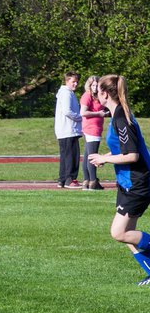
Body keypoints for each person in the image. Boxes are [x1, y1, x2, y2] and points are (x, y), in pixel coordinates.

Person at [89, 75, 150, 285]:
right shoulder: (117, 115)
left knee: (119, 233)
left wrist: (104, 160)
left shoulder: (122, 118)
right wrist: (106, 157)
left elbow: (132, 155)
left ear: (105, 93)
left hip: (137, 182)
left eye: (97, 91)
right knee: (128, 234)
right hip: (127, 182)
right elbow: (122, 149)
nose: (95, 94)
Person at [54, 72, 83, 189]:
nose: (75, 84)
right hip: (68, 129)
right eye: (73, 82)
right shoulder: (66, 94)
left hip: (67, 130)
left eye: (76, 82)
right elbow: (67, 111)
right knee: (71, 155)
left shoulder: (68, 93)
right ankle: (69, 179)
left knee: (66, 155)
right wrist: (80, 117)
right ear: (67, 81)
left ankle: (62, 179)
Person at [79, 75, 109, 190]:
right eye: (93, 85)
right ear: (89, 85)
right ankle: (93, 181)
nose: (95, 87)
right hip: (91, 128)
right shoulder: (87, 95)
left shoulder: (97, 96)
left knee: (87, 155)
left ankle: (86, 181)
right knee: (93, 156)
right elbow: (83, 112)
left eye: (97, 85)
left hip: (95, 127)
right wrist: (99, 114)